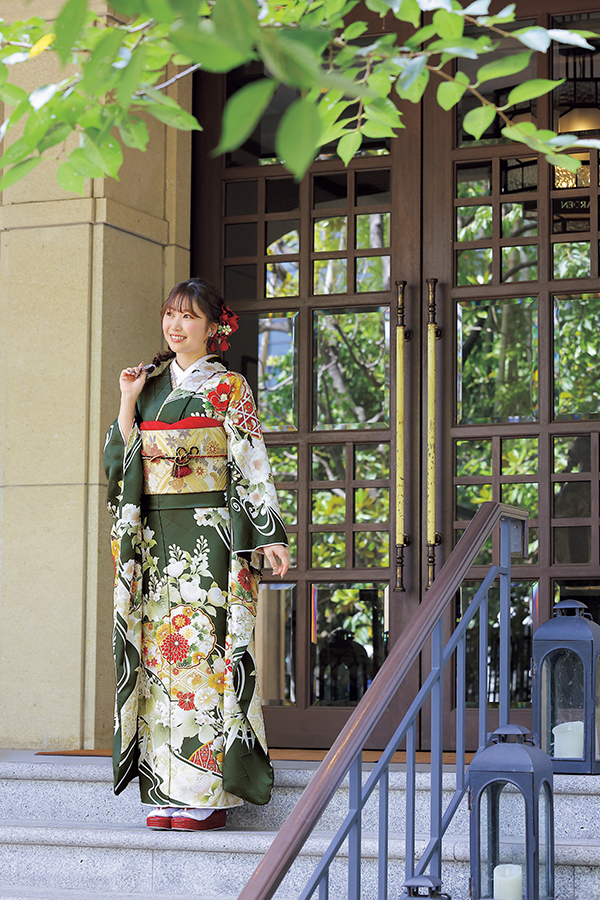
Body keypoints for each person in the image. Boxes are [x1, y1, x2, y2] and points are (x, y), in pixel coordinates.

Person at [104, 278, 289, 832]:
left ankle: (207, 794)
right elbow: (118, 463)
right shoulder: (150, 383)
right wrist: (128, 400)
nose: (175, 325)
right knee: (161, 658)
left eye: (187, 317)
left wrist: (269, 532)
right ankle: (164, 790)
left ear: (214, 327)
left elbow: (251, 459)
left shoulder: (230, 388)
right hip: (158, 540)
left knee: (205, 658)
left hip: (209, 539)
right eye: (169, 315)